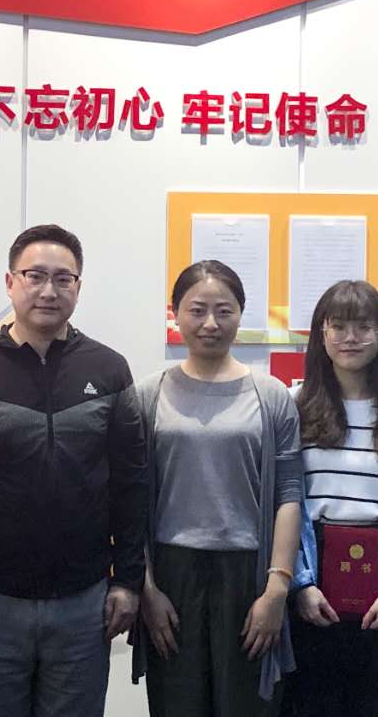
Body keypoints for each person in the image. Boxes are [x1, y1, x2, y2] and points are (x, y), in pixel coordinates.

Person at [0, 223, 149, 717]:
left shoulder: (109, 369)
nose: (49, 290)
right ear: (11, 282)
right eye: (35, 276)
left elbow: (131, 482)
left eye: (63, 278)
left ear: (78, 287)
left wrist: (127, 580)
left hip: (84, 599)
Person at [132, 260, 304, 717]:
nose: (210, 323)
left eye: (224, 311)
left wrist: (276, 590)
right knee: (176, 704)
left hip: (249, 572)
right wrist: (146, 588)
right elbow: (130, 499)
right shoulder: (148, 395)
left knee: (247, 706)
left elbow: (289, 495)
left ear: (241, 315)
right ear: (176, 314)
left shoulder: (272, 396)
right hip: (172, 574)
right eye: (197, 310)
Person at [285, 279, 378, 717]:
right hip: (314, 590)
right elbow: (284, 503)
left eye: (363, 327)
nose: (350, 338)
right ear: (321, 334)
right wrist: (300, 585)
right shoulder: (293, 406)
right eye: (338, 326)